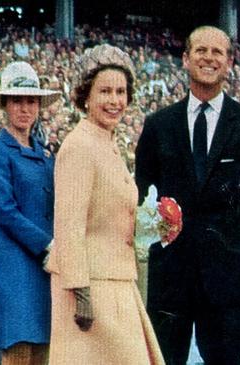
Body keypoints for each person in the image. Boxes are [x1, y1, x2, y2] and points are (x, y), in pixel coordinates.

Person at [134, 26, 240, 365]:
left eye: (217, 52)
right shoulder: (158, 125)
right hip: (170, 277)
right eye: (200, 51)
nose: (209, 58)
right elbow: (140, 197)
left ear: (229, 63)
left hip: (228, 277)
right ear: (185, 59)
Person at [47, 44, 164, 364]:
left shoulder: (108, 144)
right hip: (90, 288)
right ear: (86, 96)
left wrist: (154, 224)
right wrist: (80, 291)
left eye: (121, 92)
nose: (115, 101)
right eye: (105, 92)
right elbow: (69, 224)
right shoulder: (79, 145)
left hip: (117, 281)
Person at [0, 61, 60, 364]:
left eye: (31, 101)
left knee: (44, 355)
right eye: (17, 101)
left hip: (45, 270)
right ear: (4, 105)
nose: (24, 108)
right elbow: (4, 211)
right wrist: (48, 244)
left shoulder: (47, 155)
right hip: (14, 268)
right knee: (19, 354)